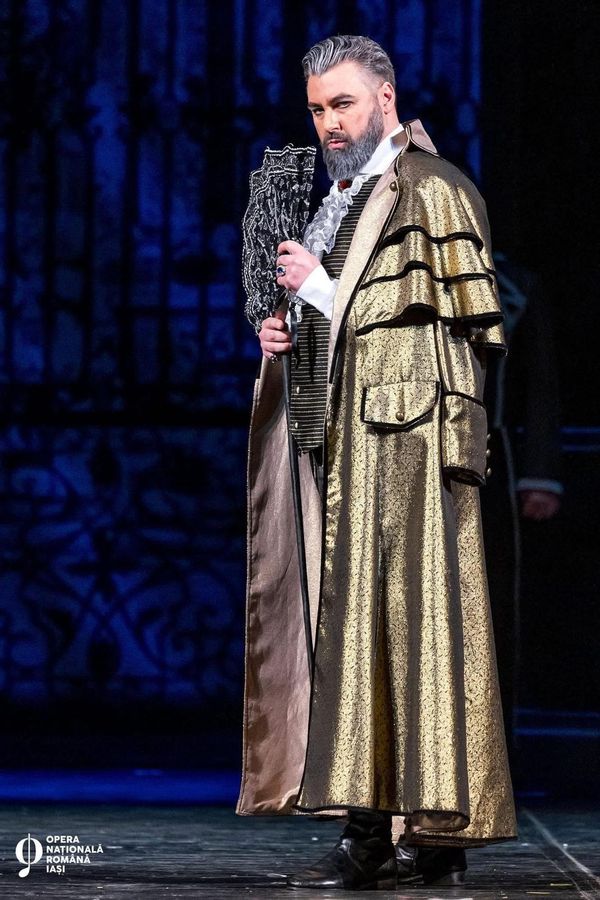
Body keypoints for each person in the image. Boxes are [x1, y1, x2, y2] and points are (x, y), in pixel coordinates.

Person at [237, 35, 517, 890]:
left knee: (412, 627)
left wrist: (321, 293)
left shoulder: (430, 188)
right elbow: (343, 314)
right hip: (344, 440)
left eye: (343, 104)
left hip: (408, 448)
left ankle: (422, 834)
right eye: (317, 109)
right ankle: (381, 829)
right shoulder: (342, 200)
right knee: (353, 632)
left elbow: (452, 328)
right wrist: (286, 333)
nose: (328, 123)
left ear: (386, 99)